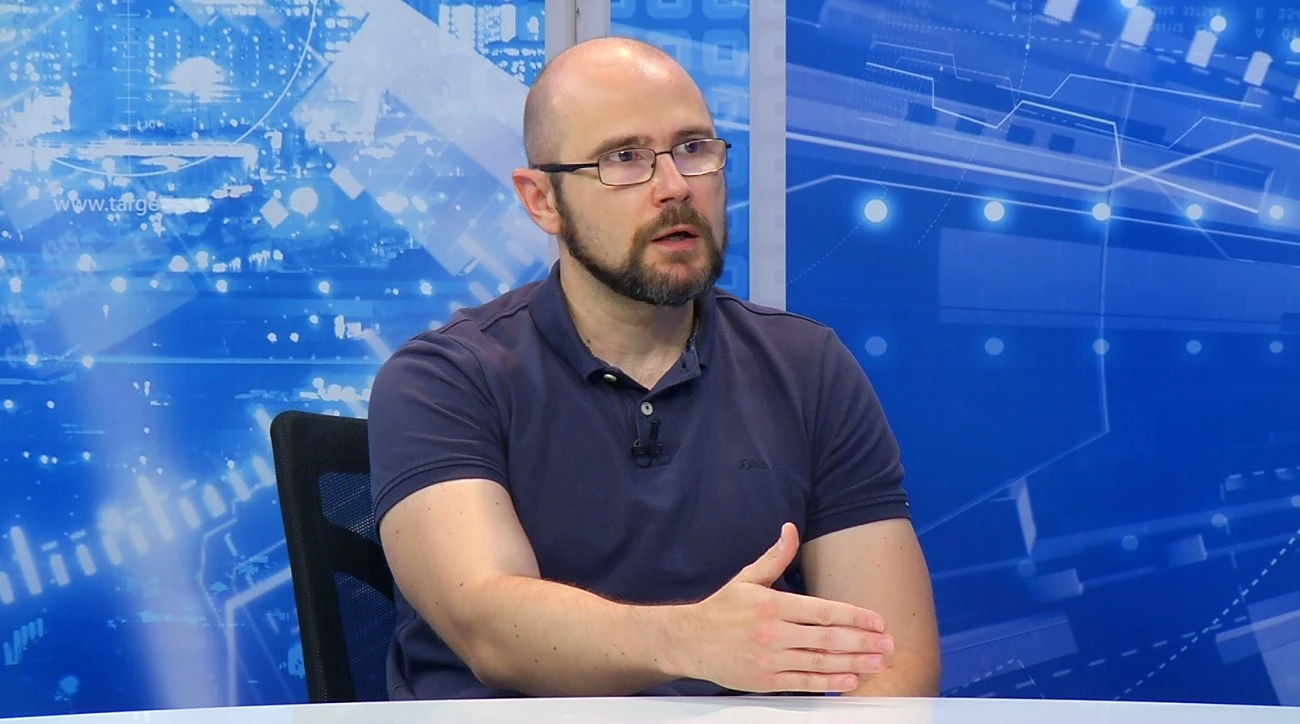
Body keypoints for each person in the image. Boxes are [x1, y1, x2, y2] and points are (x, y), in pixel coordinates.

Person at [367, 36, 941, 700]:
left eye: (693, 148)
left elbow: (893, 663)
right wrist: (691, 640)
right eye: (625, 158)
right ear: (542, 199)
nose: (675, 187)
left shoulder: (808, 367)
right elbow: (491, 629)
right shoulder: (444, 379)